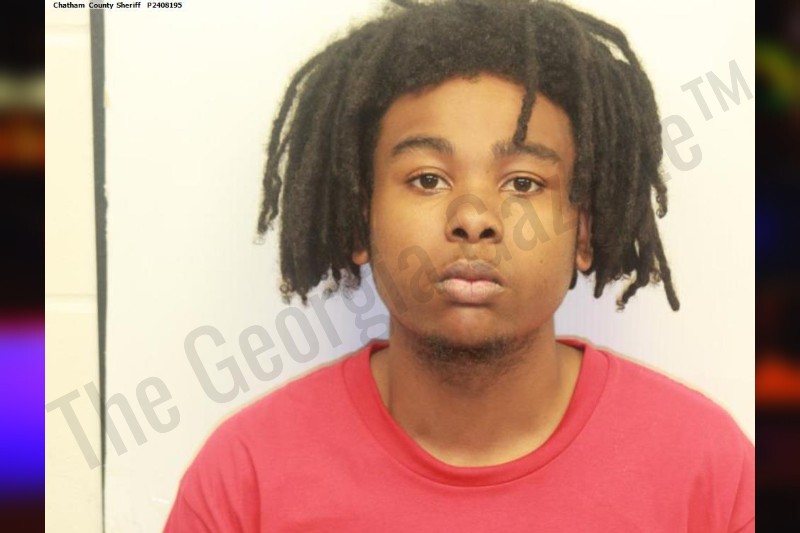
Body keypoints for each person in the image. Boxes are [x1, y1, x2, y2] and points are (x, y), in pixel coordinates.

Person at [164, 0, 754, 530]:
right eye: (427, 179)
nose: (473, 218)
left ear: (584, 230)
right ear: (359, 218)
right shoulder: (247, 479)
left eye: (523, 182)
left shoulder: (708, 472)